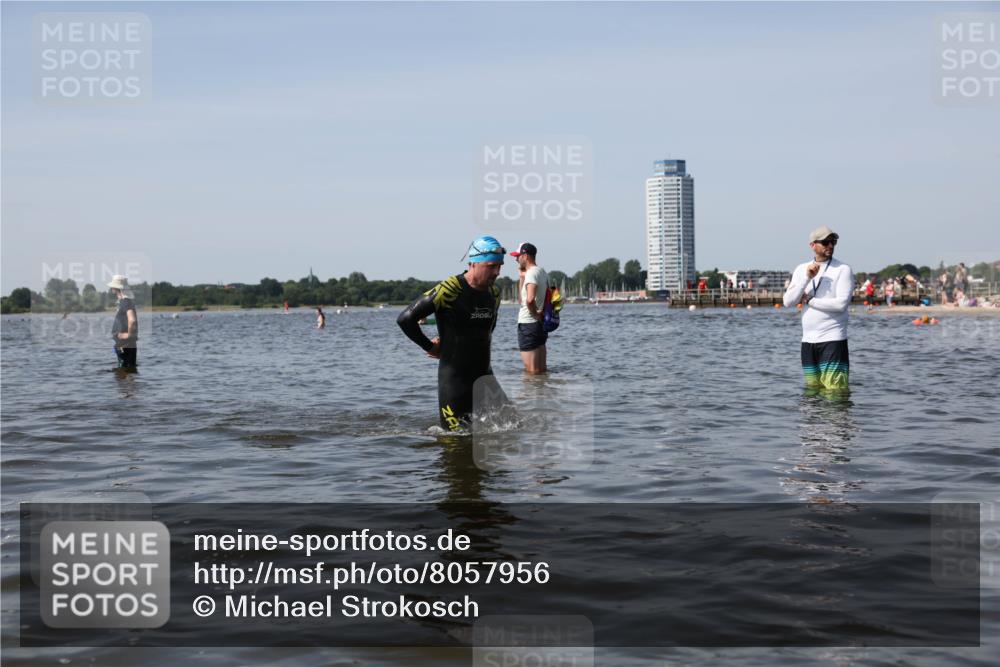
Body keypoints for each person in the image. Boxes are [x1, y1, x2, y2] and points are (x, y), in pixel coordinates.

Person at [397, 236, 508, 431]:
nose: (497, 272)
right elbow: (406, 319)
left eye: (499, 266)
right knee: (455, 439)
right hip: (455, 382)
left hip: (485, 377)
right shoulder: (450, 289)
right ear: (473, 263)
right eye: (491, 266)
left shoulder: (494, 293)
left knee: (514, 428)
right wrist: (430, 347)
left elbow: (487, 331)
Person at [782, 226, 854, 391]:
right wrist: (807, 278)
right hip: (808, 342)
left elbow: (841, 305)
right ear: (812, 245)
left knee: (835, 393)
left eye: (833, 242)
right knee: (812, 393)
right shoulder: (802, 269)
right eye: (825, 242)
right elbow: (788, 302)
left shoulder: (843, 269)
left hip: (833, 339)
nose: (830, 245)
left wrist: (810, 300)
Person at [510, 242, 549, 374]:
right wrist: (522, 277)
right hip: (539, 325)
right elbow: (522, 300)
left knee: (532, 372)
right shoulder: (542, 272)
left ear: (525, 256)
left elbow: (529, 299)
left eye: (518, 256)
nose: (516, 259)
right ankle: (543, 388)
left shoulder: (531, 274)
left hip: (528, 324)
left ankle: (531, 389)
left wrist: (535, 313)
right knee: (541, 370)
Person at [108, 275, 138, 369]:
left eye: (113, 286)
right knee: (129, 370)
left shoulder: (126, 302)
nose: (111, 288)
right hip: (125, 344)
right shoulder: (124, 301)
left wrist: (129, 335)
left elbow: (132, 320)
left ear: (116, 288)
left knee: (122, 371)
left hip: (124, 344)